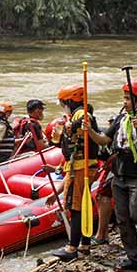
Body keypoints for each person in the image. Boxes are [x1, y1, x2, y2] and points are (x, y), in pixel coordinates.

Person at [87, 80, 137, 271]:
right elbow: (104, 139)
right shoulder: (121, 119)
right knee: (123, 217)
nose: (125, 102)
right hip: (120, 172)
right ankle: (133, 258)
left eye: (127, 98)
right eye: (124, 98)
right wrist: (89, 130)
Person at [49, 84, 100, 261]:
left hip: (80, 167)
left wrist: (66, 126)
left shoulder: (81, 114)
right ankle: (84, 245)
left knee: (75, 207)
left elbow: (83, 124)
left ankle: (72, 247)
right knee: (81, 205)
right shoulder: (80, 114)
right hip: (81, 166)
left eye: (64, 103)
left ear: (70, 101)